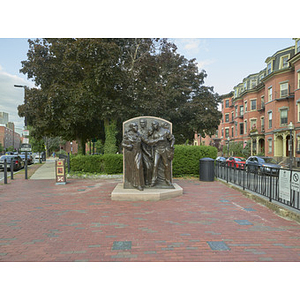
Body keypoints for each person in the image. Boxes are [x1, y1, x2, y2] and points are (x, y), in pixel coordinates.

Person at [148, 121, 175, 187]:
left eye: (155, 125)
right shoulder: (154, 133)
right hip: (157, 150)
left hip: (164, 149)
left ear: (157, 125)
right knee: (155, 165)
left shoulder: (166, 131)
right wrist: (158, 139)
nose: (154, 126)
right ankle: (153, 181)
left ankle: (168, 180)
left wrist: (171, 146)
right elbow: (150, 142)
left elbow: (172, 139)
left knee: (166, 165)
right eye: (153, 125)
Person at [122, 122, 145, 191]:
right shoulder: (128, 135)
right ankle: (135, 183)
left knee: (138, 167)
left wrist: (156, 141)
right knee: (133, 168)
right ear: (131, 128)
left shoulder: (138, 134)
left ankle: (139, 184)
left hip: (138, 152)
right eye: (135, 126)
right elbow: (122, 144)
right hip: (131, 153)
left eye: (137, 126)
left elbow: (145, 141)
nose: (136, 128)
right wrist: (128, 146)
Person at [139, 119, 153, 186]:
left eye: (144, 122)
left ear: (146, 123)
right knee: (142, 167)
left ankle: (148, 181)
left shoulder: (148, 130)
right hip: (140, 150)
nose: (142, 124)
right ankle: (143, 181)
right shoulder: (138, 131)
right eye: (141, 123)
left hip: (148, 149)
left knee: (149, 167)